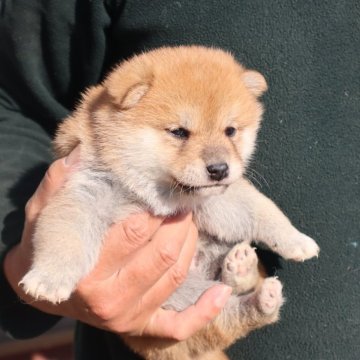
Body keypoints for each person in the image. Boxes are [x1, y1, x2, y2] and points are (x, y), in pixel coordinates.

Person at [1, 1, 359, 359]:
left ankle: (245, 304)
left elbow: (241, 207)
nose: (218, 160)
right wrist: (26, 263)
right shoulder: (103, 146)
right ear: (128, 104)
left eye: (231, 131)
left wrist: (284, 235)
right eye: (179, 132)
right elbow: (14, 104)